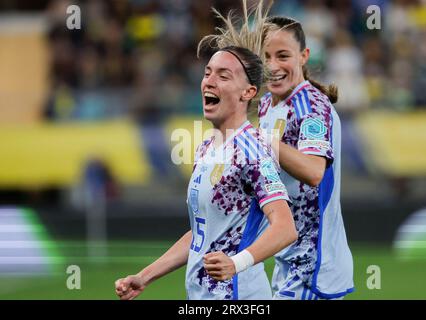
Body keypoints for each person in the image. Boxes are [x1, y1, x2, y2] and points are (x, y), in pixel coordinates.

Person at [115, 3, 297, 300]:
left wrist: (236, 263)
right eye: (208, 73)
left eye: (224, 76)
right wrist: (145, 276)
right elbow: (203, 234)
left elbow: (285, 228)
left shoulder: (252, 151)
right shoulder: (205, 147)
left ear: (248, 92)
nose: (209, 81)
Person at [258, 15, 354, 300]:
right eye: (266, 57)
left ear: (303, 56)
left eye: (282, 56)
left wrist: (261, 140)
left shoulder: (311, 105)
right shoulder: (267, 105)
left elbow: (314, 171)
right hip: (288, 260)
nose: (273, 66)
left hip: (315, 264)